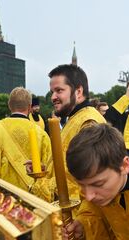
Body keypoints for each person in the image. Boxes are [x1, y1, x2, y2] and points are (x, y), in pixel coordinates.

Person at [0, 86, 52, 200]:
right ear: (29, 107)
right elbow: (49, 174)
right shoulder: (42, 135)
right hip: (32, 204)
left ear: (9, 105)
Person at [48, 64, 106, 197]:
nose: (53, 97)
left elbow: (89, 182)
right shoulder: (76, 118)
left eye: (59, 90)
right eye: (52, 92)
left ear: (78, 92)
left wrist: (41, 185)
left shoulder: (88, 122)